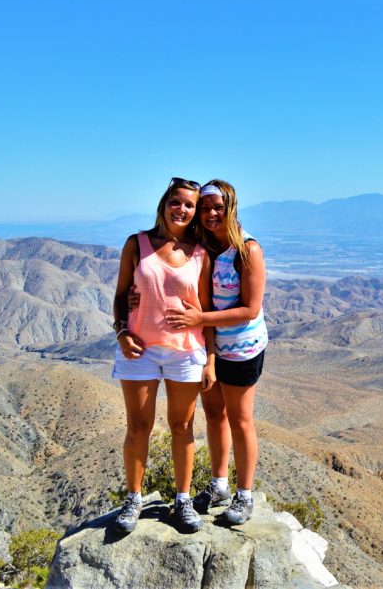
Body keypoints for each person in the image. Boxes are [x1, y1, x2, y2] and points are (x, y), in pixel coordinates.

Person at [110, 177, 214, 533]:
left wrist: (211, 358)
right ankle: (133, 499)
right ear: (165, 203)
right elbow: (122, 293)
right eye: (177, 201)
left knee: (182, 426)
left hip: (185, 351)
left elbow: (206, 307)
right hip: (139, 349)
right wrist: (121, 331)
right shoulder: (137, 244)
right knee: (138, 426)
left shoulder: (199, 252)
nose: (182, 209)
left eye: (190, 205)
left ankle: (182, 501)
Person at [163, 179, 268, 525]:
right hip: (210, 348)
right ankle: (220, 483)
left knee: (240, 420)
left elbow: (250, 309)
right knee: (214, 415)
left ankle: (245, 494)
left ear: (231, 208)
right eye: (205, 207)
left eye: (217, 207)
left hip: (241, 349)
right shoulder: (206, 246)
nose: (210, 213)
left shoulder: (247, 250)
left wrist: (200, 318)